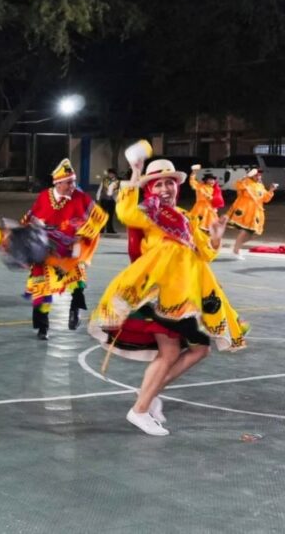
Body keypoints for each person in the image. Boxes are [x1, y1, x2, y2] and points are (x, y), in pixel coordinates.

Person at [88, 159, 247, 436]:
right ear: (150, 190)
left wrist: (216, 238)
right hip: (161, 291)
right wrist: (135, 173)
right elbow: (125, 212)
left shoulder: (185, 216)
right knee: (174, 351)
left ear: (176, 187)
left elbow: (204, 253)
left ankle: (147, 397)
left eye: (169, 183)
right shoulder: (148, 212)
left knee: (198, 349)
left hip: (186, 293)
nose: (164, 189)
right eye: (158, 184)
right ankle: (140, 408)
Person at [22, 158, 108, 338]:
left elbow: (99, 218)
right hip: (46, 251)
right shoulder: (44, 196)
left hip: (70, 250)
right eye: (69, 182)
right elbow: (31, 216)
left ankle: (75, 310)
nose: (73, 186)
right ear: (58, 183)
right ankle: (43, 327)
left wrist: (82, 232)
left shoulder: (80, 197)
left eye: (74, 182)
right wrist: (32, 229)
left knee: (78, 284)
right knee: (42, 288)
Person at [227, 168, 277, 258]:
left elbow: (265, 199)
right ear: (252, 176)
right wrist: (245, 177)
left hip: (256, 213)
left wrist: (271, 190)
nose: (258, 177)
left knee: (254, 234)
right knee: (245, 231)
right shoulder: (246, 182)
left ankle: (236, 246)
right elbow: (237, 185)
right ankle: (236, 251)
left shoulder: (260, 185)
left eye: (259, 175)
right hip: (245, 211)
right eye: (256, 175)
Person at [187, 166, 224, 232]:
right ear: (206, 180)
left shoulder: (215, 189)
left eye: (213, 180)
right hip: (200, 207)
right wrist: (194, 172)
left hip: (210, 208)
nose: (212, 181)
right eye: (210, 179)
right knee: (197, 223)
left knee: (210, 224)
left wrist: (215, 206)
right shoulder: (200, 186)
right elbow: (192, 181)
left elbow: (217, 198)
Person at [96, 168, 119, 234]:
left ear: (114, 174)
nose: (110, 175)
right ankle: (101, 229)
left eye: (111, 173)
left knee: (110, 216)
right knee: (103, 215)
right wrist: (97, 198)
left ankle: (110, 229)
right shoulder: (104, 180)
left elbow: (117, 192)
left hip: (112, 200)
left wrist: (117, 200)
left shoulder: (117, 181)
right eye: (109, 173)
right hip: (104, 200)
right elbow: (100, 189)